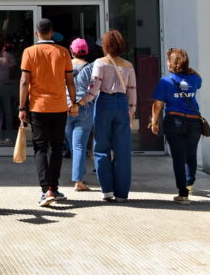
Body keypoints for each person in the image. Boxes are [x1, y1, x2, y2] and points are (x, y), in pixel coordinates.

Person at [18, 19, 78, 207]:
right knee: (57, 147)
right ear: (52, 32)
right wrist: (73, 103)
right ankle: (54, 188)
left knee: (41, 148)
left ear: (37, 33)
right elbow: (70, 81)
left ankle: (46, 190)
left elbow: (24, 82)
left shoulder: (29, 52)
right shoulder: (63, 52)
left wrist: (21, 107)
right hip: (59, 106)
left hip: (38, 107)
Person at [77, 30, 137, 202]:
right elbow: (132, 91)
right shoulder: (128, 65)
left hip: (104, 103)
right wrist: (131, 112)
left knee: (101, 148)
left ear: (105, 45)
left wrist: (81, 102)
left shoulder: (100, 63)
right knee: (122, 151)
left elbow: (94, 87)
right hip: (122, 104)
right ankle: (122, 194)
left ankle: (107, 191)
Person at [149, 48, 203, 204]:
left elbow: (158, 105)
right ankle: (190, 184)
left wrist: (154, 122)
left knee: (178, 158)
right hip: (194, 122)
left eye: (168, 60)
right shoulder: (194, 78)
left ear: (172, 63)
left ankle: (183, 193)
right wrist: (190, 70)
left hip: (174, 121)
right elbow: (199, 81)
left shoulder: (165, 81)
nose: (167, 63)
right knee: (191, 154)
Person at [65, 38, 94, 192]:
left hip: (66, 108)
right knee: (79, 145)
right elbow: (92, 91)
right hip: (84, 109)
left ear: (72, 51)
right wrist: (79, 104)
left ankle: (79, 173)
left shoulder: (65, 65)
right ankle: (78, 180)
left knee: (73, 144)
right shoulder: (90, 68)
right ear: (86, 52)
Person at [0, 43, 17, 144]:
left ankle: (10, 136)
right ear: (3, 52)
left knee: (10, 114)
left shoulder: (13, 63)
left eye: (10, 52)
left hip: (11, 92)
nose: (8, 54)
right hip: (0, 91)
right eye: (6, 52)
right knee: (4, 114)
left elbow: (15, 77)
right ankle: (5, 136)